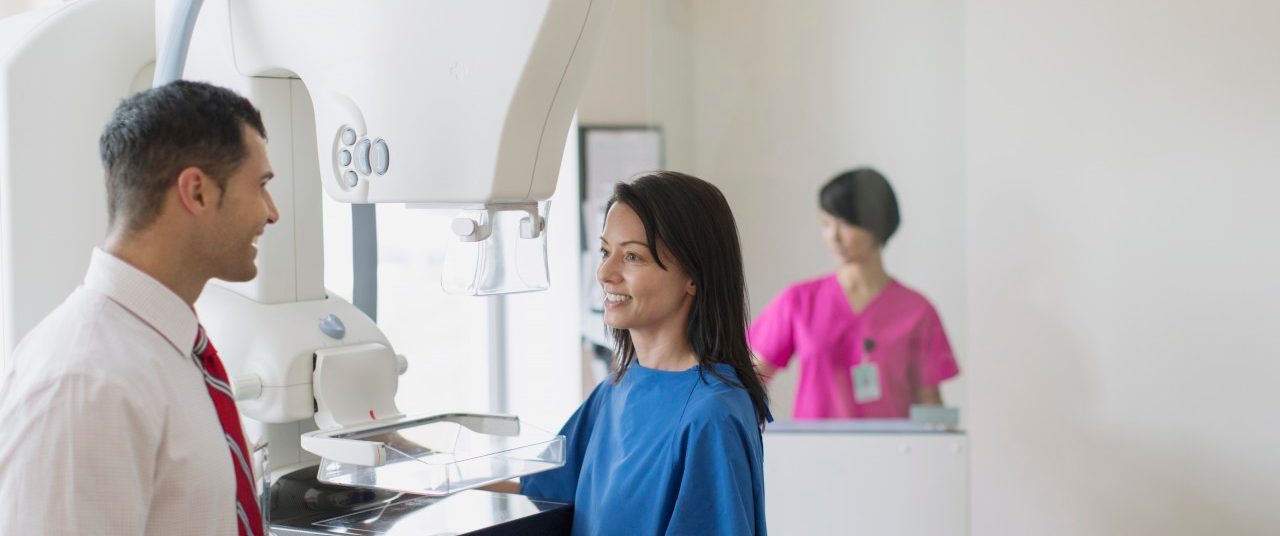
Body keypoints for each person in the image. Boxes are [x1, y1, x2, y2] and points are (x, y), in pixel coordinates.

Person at [0, 81, 279, 534]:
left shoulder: (169, 350)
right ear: (198, 192)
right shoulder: (82, 382)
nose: (271, 212)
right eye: (261, 186)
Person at [520, 171, 770, 535]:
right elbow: (534, 492)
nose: (605, 272)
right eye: (606, 251)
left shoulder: (711, 416)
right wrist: (416, 469)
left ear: (693, 276)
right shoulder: (615, 391)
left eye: (633, 256)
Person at [749, 167, 959, 419]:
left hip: (891, 454)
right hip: (814, 454)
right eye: (826, 224)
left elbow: (929, 401)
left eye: (845, 223)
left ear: (877, 223)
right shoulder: (799, 301)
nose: (833, 237)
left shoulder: (917, 311)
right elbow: (750, 381)